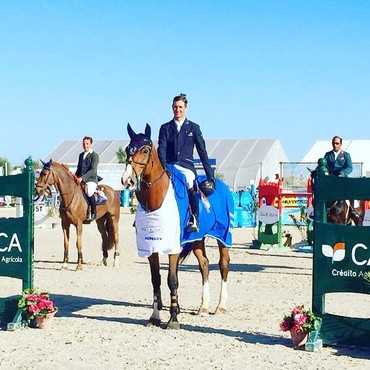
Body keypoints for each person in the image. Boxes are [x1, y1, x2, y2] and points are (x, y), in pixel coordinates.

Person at [158, 93, 215, 232]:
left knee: (190, 182)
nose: (177, 110)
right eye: (175, 107)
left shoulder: (194, 128)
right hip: (169, 165)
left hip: (186, 166)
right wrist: (163, 165)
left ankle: (194, 218)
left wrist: (210, 175)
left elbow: (202, 152)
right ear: (172, 108)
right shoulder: (165, 128)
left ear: (186, 108)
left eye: (180, 107)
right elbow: (162, 148)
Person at [324, 135, 357, 218]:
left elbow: (349, 167)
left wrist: (342, 173)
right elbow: (323, 166)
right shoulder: (327, 155)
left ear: (340, 144)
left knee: (350, 191)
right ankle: (319, 210)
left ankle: (352, 210)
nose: (335, 145)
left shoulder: (346, 155)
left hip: (342, 178)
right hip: (331, 179)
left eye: (337, 143)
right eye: (333, 143)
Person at [75, 136, 99, 221]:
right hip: (81, 178)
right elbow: (79, 168)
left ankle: (93, 212)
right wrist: (74, 177)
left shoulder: (94, 156)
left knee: (89, 192)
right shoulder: (81, 155)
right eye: (84, 144)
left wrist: (82, 178)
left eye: (87, 144)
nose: (85, 146)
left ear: (91, 144)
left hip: (91, 179)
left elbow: (93, 170)